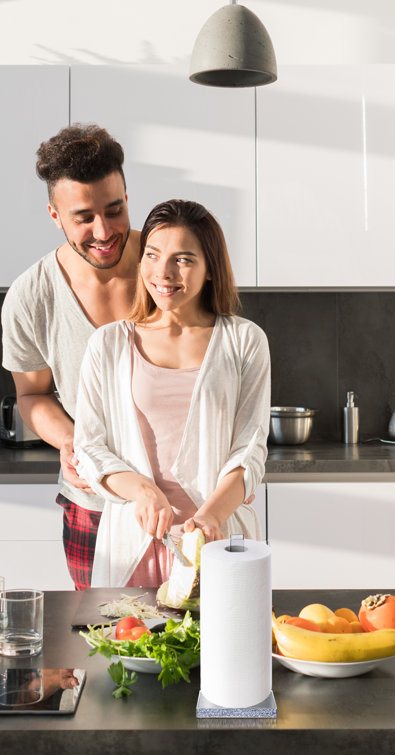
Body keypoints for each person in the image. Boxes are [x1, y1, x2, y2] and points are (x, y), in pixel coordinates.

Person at [73, 199, 271, 589]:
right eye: (152, 254)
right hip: (135, 544)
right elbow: (89, 449)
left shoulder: (245, 341)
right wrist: (144, 491)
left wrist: (210, 517)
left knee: (225, 646)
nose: (162, 272)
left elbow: (250, 451)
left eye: (183, 259)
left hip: (218, 541)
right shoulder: (108, 344)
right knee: (128, 645)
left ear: (210, 268)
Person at [1, 124, 140, 591]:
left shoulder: (171, 266)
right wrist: (70, 441)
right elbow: (32, 394)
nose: (103, 232)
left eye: (115, 210)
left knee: (197, 648)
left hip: (185, 499)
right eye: (83, 217)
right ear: (54, 215)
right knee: (100, 653)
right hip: (93, 504)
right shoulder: (31, 295)